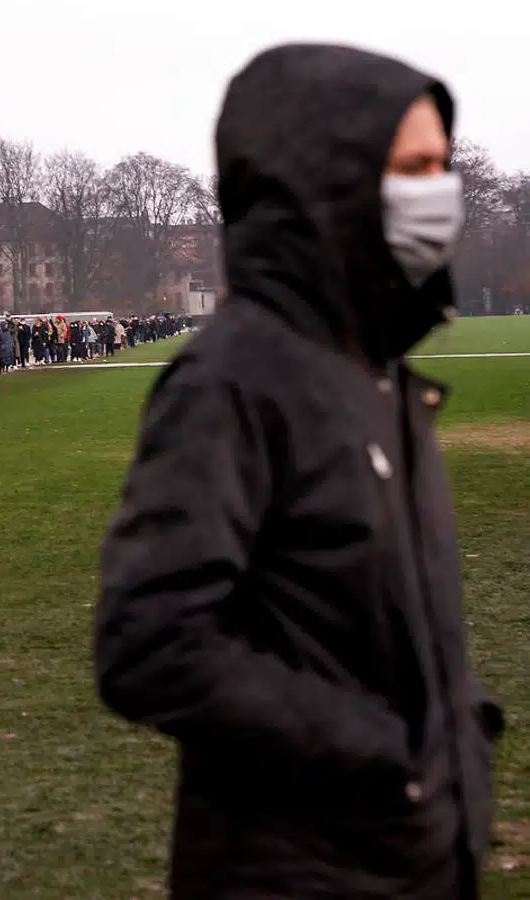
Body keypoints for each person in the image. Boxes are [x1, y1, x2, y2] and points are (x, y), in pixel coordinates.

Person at [94, 43, 501, 897]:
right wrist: (378, 750)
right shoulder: (236, 381)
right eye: (414, 167)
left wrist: (457, 734)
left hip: (411, 851)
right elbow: (151, 644)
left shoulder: (374, 368)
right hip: (299, 866)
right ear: (331, 183)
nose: (440, 192)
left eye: (444, 166)